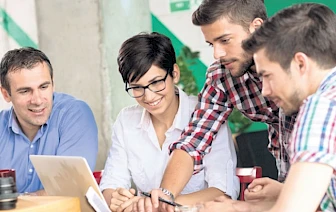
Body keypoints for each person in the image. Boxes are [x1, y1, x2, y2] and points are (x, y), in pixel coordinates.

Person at [135, 0, 295, 211]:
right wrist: (165, 196)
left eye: (225, 40)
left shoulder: (301, 68)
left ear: (256, 28)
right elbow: (193, 142)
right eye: (212, 44)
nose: (217, 54)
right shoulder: (222, 76)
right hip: (291, 183)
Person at [199, 3, 336, 211]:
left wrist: (236, 210)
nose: (264, 91)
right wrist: (283, 192)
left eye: (267, 76)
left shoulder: (321, 107)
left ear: (300, 63)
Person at [99, 32, 239, 212]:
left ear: (175, 73)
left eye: (156, 82)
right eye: (136, 88)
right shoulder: (126, 121)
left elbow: (223, 192)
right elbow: (110, 186)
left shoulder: (207, 115)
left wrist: (164, 205)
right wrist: (117, 199)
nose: (149, 96)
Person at [0, 47, 98, 195]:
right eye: (25, 91)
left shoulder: (74, 114)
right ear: (6, 94)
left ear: (53, 84)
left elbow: (70, 189)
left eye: (44, 87)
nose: (38, 100)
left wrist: (14, 202)